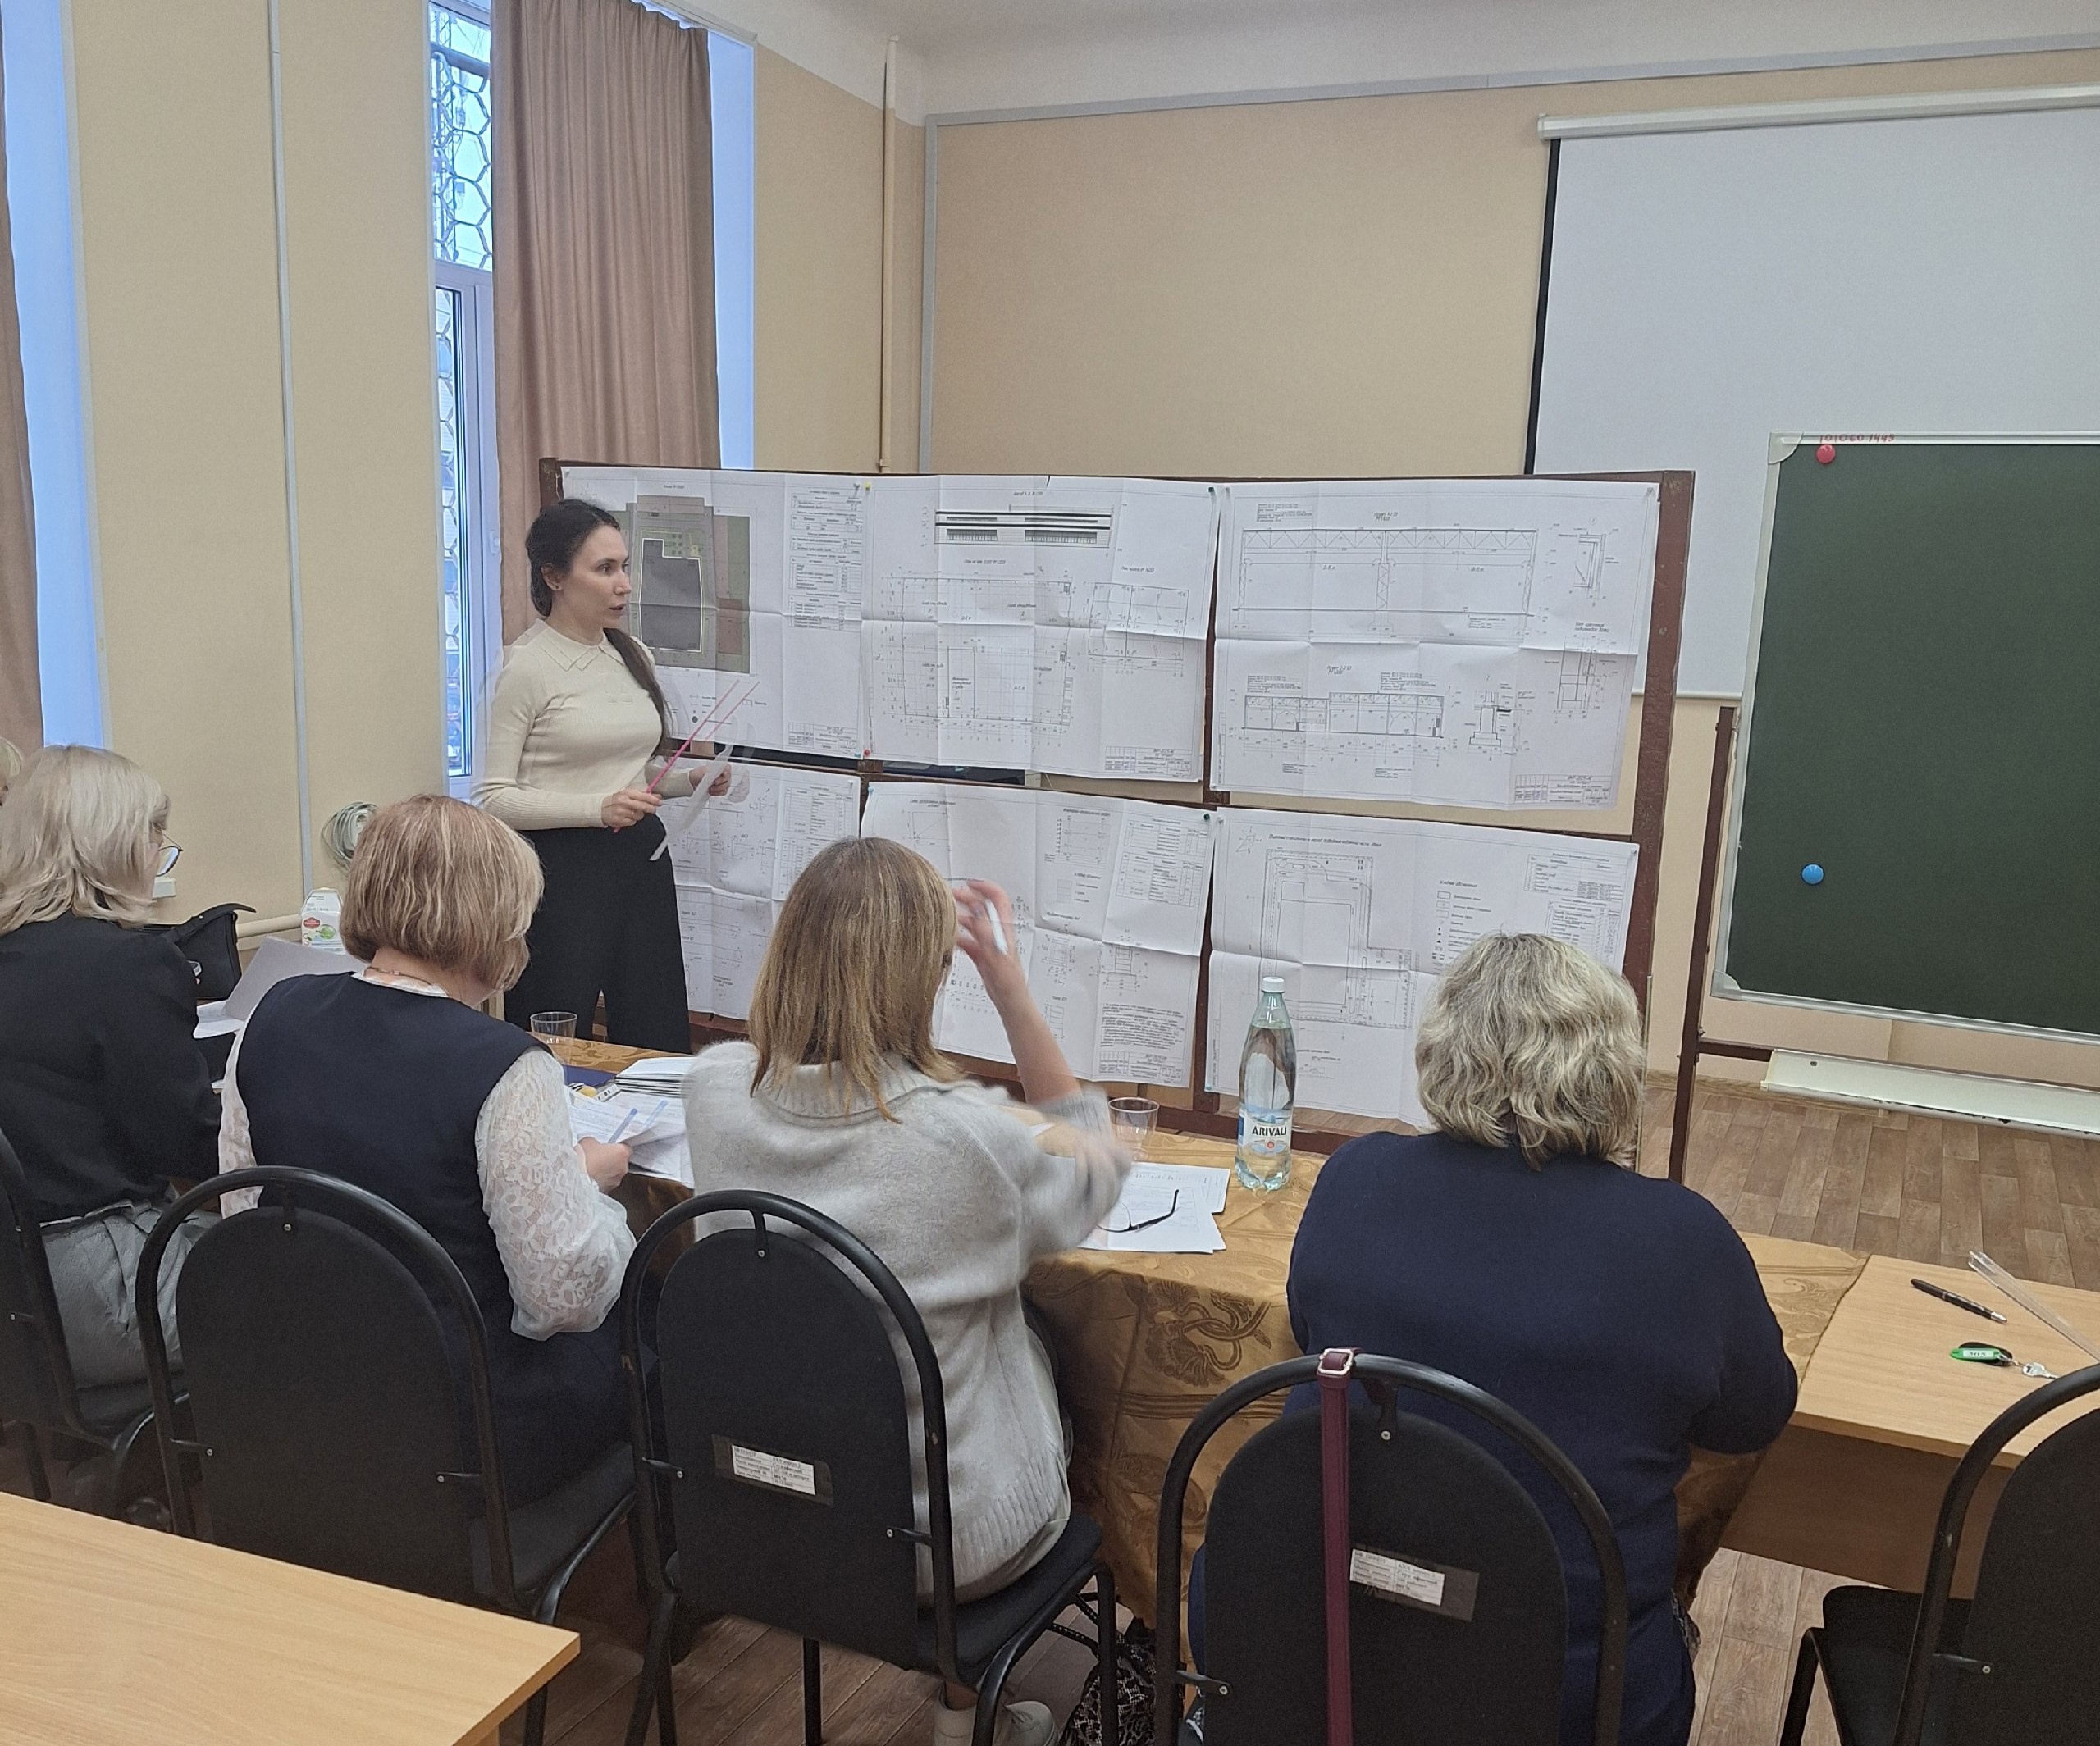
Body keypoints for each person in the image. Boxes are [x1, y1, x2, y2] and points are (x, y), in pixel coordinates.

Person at [1213, 932, 1795, 1746]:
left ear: (1440, 1050)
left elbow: (1313, 1333)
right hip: (1566, 1698)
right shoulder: (1684, 1240)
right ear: (1614, 1070)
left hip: (1326, 1660)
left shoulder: (1353, 1179)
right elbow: (1752, 1417)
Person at [681, 837, 1130, 1746]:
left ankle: (962, 1711)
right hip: (950, 1542)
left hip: (768, 1502)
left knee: (902, 1340)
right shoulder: (964, 1137)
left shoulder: (713, 1089)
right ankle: (965, 1716)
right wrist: (1011, 989)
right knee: (1022, 1337)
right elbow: (1099, 1168)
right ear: (926, 977)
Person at [217, 795, 635, 1503]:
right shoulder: (508, 1066)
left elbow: (242, 1212)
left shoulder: (271, 1013)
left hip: (298, 1392)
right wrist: (587, 1187)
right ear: (493, 922)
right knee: (644, 1326)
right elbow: (559, 1300)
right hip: (461, 1425)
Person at [476, 498, 736, 1051]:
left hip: (639, 857)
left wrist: (687, 781)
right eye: (604, 569)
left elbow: (628, 769)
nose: (624, 585)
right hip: (559, 868)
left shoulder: (630, 652)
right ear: (554, 577)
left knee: (654, 1013)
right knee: (556, 1019)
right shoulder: (525, 667)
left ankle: (655, 1108)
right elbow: (492, 798)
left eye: (624, 566)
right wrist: (596, 809)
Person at [0, 745, 219, 1386]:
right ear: (116, 843)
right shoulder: (128, 966)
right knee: (331, 1277)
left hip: (17, 1293)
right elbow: (182, 1142)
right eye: (155, 834)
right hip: (100, 1286)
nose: (158, 853)